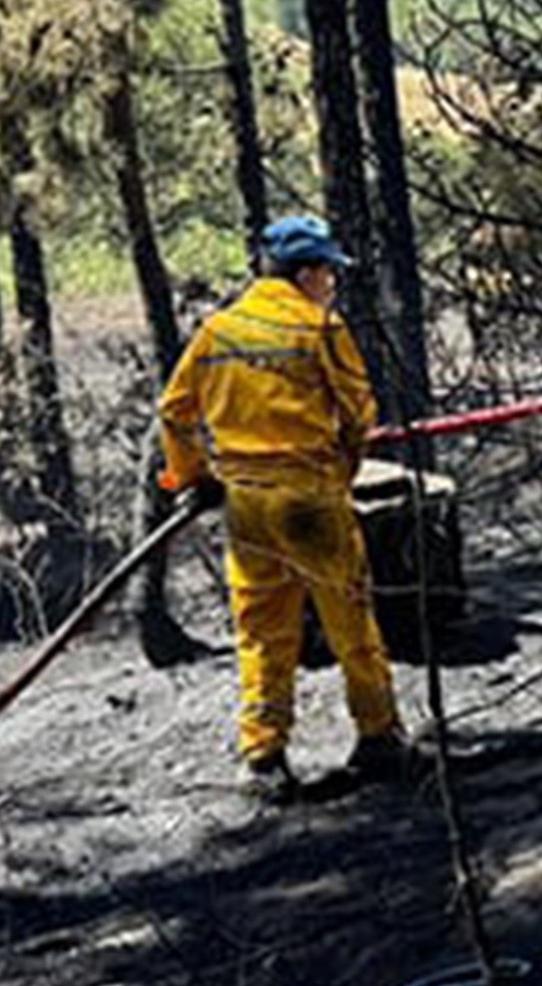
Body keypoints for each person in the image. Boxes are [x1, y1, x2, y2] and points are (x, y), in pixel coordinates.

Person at [158, 215, 407, 798]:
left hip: (246, 506)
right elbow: (359, 413)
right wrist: (340, 472)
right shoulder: (318, 326)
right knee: (351, 622)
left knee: (262, 630)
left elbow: (174, 412)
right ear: (307, 272)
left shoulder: (217, 331)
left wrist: (197, 477)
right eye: (329, 272)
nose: (333, 284)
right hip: (310, 498)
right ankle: (379, 738)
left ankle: (263, 756)